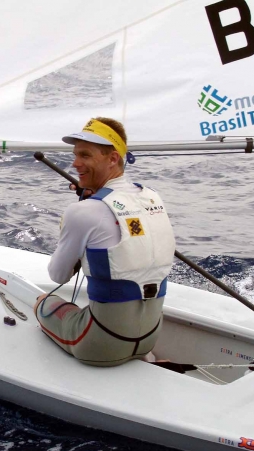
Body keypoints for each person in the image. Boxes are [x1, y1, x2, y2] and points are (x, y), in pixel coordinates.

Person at [33, 117, 176, 366]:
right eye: (76, 155)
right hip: (150, 337)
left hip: (99, 346)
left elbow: (58, 275)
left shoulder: (85, 211)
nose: (75, 163)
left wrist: (83, 212)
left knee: (42, 303)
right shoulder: (153, 197)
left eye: (85, 156)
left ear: (112, 159)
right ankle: (145, 357)